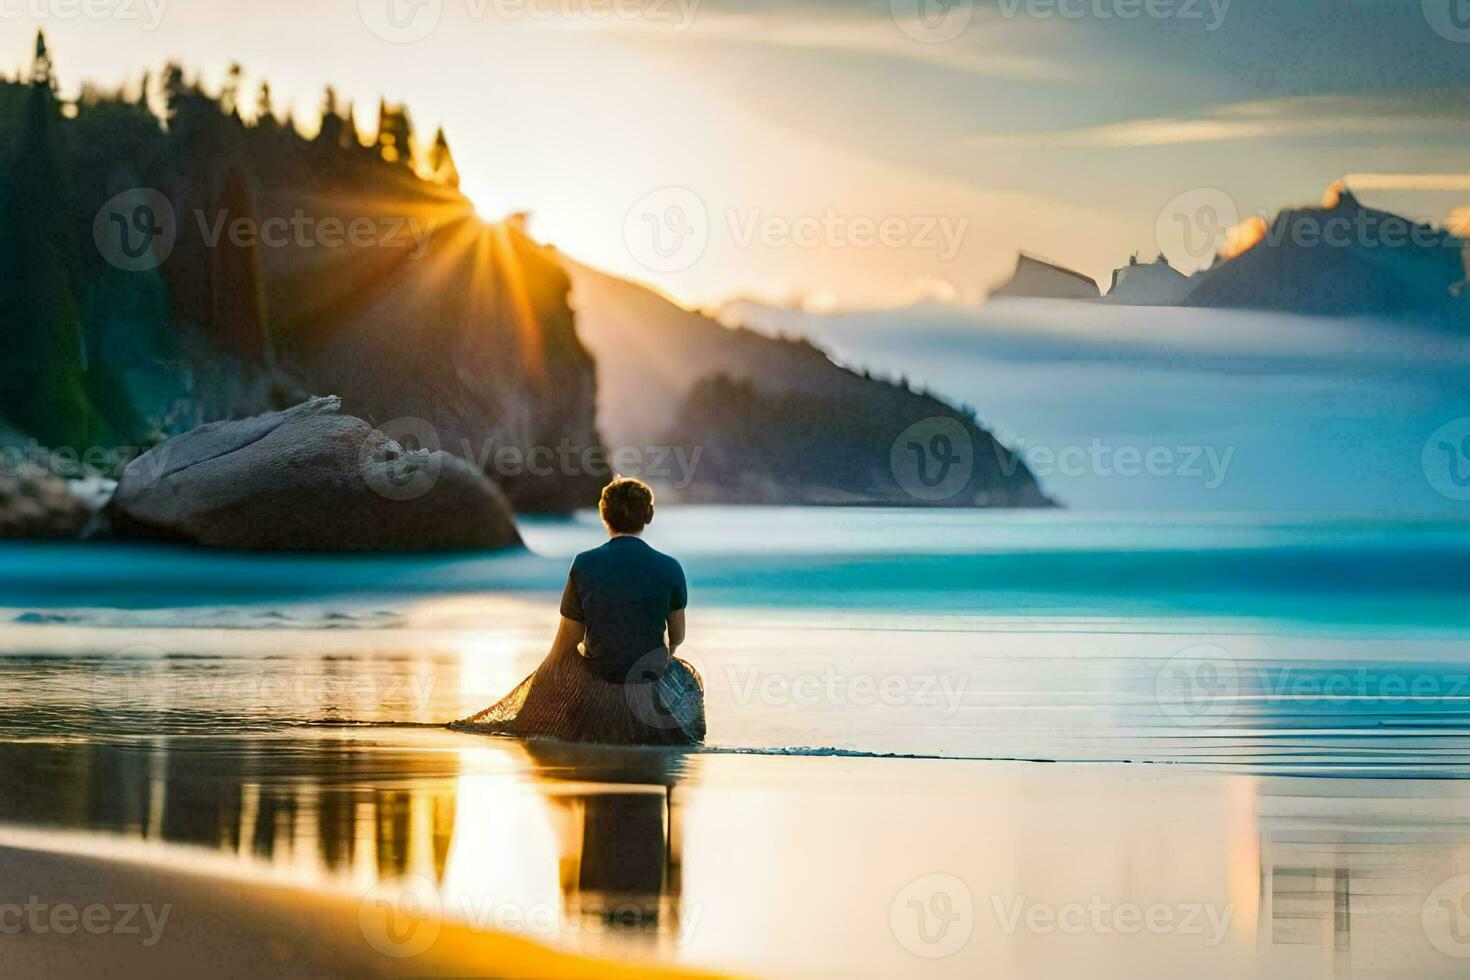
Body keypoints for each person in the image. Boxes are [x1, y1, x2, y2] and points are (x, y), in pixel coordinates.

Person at [453, 478, 706, 745]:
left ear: (603, 514)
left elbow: (567, 641)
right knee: (683, 675)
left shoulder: (585, 563)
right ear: (649, 515)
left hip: (598, 676)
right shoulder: (670, 567)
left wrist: (542, 685)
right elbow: (677, 636)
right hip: (646, 679)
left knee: (560, 660)